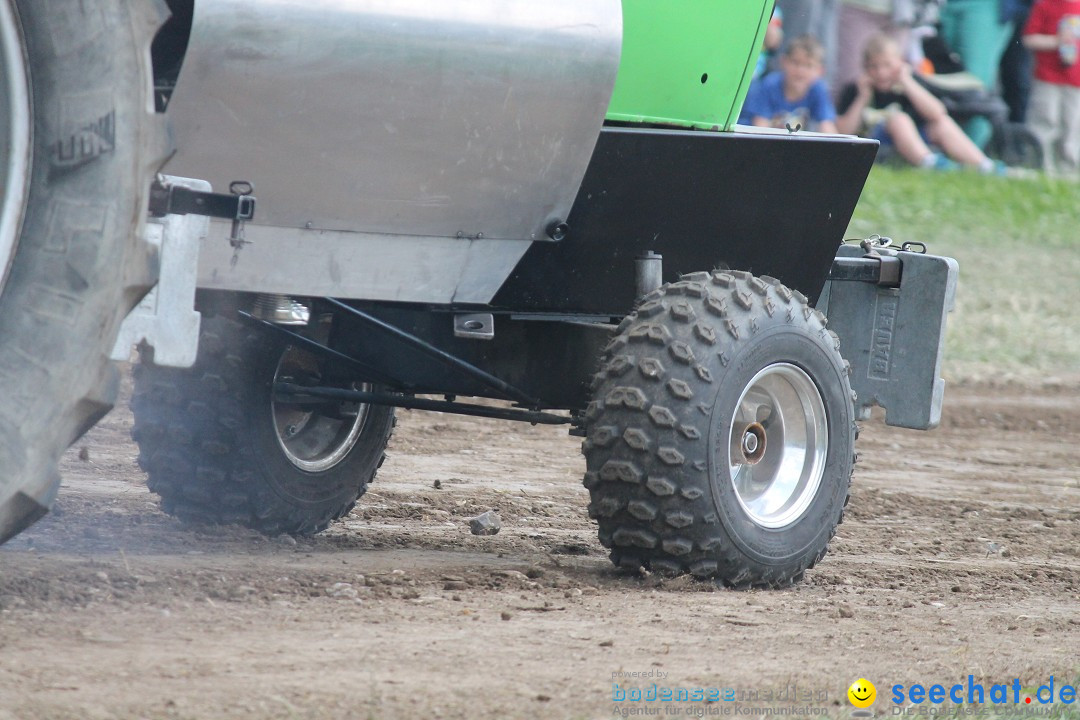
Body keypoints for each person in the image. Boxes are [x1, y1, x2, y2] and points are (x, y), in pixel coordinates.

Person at [836, 33, 1005, 171]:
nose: (881, 72)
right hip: (877, 142)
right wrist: (862, 98)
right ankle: (929, 163)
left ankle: (983, 165)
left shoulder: (910, 82)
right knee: (898, 119)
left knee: (941, 124)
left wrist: (907, 83)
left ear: (899, 62)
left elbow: (938, 113)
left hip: (915, 138)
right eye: (874, 66)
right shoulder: (856, 90)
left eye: (887, 65)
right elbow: (841, 131)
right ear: (865, 67)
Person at [1021, 0, 1080, 176]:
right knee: (1045, 119)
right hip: (1047, 78)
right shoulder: (1045, 4)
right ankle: (1039, 164)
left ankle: (1068, 169)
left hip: (1076, 81)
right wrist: (1058, 41)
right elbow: (1029, 39)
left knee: (1072, 124)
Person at [741, 36, 839, 132]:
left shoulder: (818, 89)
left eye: (809, 66)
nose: (800, 71)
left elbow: (827, 127)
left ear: (820, 71)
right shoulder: (770, 85)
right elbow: (760, 128)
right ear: (783, 61)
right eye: (795, 62)